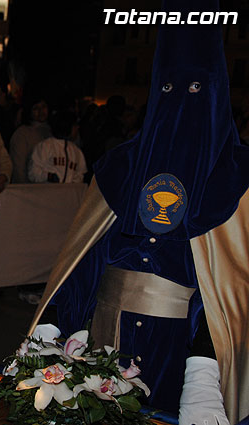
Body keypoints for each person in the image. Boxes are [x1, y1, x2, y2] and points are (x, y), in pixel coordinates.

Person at [28, 1, 249, 423]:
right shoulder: (121, 167)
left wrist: (204, 370)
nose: (179, 106)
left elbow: (229, 288)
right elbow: (84, 257)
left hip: (180, 352)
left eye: (196, 92)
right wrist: (54, 323)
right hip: (105, 343)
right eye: (167, 90)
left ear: (217, 96)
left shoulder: (234, 177)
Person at [28, 109, 87, 184]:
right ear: (66, 126)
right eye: (75, 125)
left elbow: (80, 175)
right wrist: (48, 176)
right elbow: (33, 172)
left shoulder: (76, 152)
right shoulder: (45, 146)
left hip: (69, 194)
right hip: (47, 193)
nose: (77, 128)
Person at [9, 96, 52, 183]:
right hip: (29, 187)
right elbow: (18, 167)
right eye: (36, 108)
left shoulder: (52, 131)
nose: (41, 111)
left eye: (43, 107)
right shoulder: (22, 134)